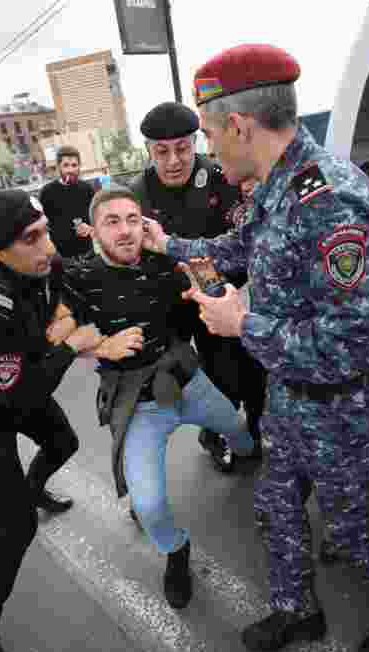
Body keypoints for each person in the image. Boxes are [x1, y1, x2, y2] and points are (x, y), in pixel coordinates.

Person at [140, 44, 369, 652]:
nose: (211, 151)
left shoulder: (331, 203)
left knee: (352, 534)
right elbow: (235, 246)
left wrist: (241, 321)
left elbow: (355, 341)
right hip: (292, 398)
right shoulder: (278, 189)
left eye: (212, 135)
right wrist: (166, 242)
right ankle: (297, 608)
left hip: (343, 407)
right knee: (276, 507)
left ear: (242, 126)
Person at [59, 186, 256, 609]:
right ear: (93, 230)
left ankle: (238, 453)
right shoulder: (76, 276)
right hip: (138, 404)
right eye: (112, 222)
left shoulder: (165, 261)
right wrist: (101, 348)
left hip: (188, 380)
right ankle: (175, 551)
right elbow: (58, 333)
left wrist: (206, 279)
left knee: (241, 432)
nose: (125, 230)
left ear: (144, 224)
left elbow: (214, 287)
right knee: (147, 505)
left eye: (132, 219)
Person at [0, 189, 107, 652]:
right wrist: (72, 345)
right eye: (31, 239)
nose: (47, 247)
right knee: (15, 529)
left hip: (19, 387)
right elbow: (17, 395)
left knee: (63, 443)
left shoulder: (42, 265)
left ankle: (30, 494)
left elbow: (74, 289)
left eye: (45, 232)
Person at [130, 101, 267, 473]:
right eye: (162, 152)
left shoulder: (224, 180)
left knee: (235, 373)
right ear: (149, 151)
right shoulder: (135, 194)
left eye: (183, 148)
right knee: (177, 383)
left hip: (215, 294)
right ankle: (212, 431)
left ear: (196, 143)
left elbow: (242, 244)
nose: (174, 160)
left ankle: (238, 433)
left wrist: (219, 287)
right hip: (168, 303)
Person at [38, 146, 95, 261]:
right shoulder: (46, 192)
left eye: (74, 165)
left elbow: (97, 218)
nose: (70, 170)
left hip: (88, 252)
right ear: (59, 167)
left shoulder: (87, 188)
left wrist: (90, 228)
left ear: (79, 166)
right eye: (66, 165)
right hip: (62, 257)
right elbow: (41, 225)